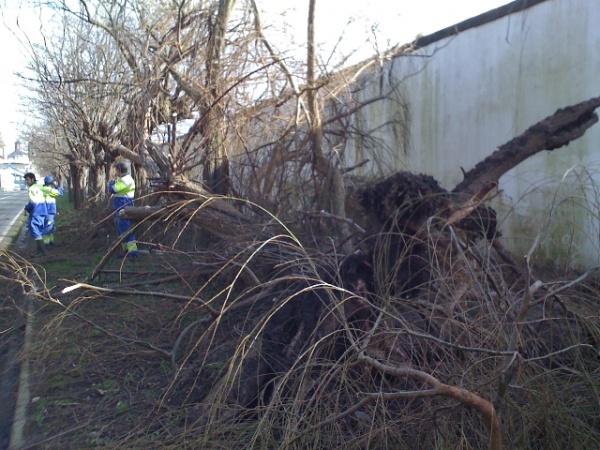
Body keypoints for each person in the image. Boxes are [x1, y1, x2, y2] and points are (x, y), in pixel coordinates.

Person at [108, 162, 139, 258]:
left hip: (124, 206)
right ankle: (126, 250)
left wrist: (112, 182)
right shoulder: (123, 179)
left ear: (119, 170)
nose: (115, 172)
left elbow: (113, 190)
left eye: (116, 170)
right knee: (122, 230)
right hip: (121, 206)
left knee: (126, 229)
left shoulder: (125, 180)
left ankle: (133, 252)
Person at [23, 172, 48, 257]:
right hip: (42, 211)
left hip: (36, 212)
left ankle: (43, 252)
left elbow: (33, 202)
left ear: (32, 179)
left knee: (35, 231)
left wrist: (26, 208)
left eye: (27, 180)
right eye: (25, 180)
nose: (26, 181)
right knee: (39, 231)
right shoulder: (39, 187)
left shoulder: (32, 188)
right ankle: (39, 252)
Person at [42, 175, 63, 246]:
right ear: (51, 183)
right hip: (48, 212)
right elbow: (61, 193)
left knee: (50, 228)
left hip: (48, 212)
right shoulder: (49, 190)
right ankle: (47, 243)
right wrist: (56, 186)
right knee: (48, 228)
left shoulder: (43, 189)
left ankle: (50, 242)